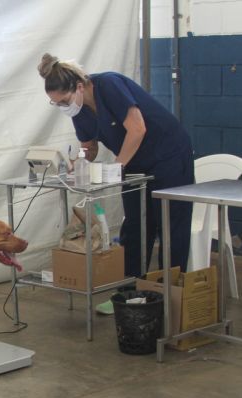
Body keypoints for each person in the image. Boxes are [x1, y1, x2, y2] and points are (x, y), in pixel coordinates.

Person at [37, 53, 194, 314]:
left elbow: (137, 128)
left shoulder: (109, 85)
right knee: (135, 226)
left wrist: (117, 166)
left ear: (79, 87)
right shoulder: (78, 111)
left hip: (169, 154)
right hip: (134, 161)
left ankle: (170, 294)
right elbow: (89, 147)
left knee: (170, 224)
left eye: (64, 101)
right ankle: (128, 292)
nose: (63, 107)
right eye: (56, 104)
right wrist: (78, 163)